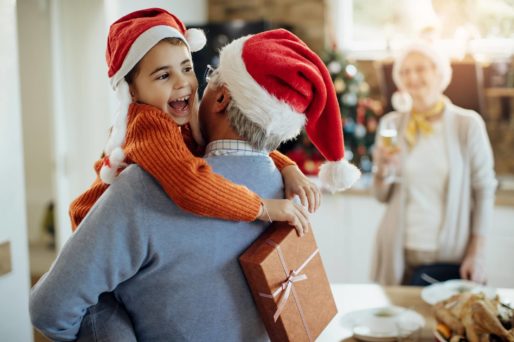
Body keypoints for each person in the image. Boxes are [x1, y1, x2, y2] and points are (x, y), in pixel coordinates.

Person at [30, 29, 360, 341]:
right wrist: (287, 168)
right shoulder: (294, 196)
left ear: (220, 99)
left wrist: (111, 322)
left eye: (204, 77)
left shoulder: (144, 187)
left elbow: (48, 310)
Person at [68, 8, 324, 237]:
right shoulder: (149, 124)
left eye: (187, 68)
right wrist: (263, 207)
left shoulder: (180, 115)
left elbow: (223, 140)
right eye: (164, 75)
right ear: (132, 92)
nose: (182, 82)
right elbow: (190, 185)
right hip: (95, 230)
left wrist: (287, 167)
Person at [370, 41, 497, 286]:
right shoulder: (391, 125)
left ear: (439, 73)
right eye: (405, 72)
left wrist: (477, 254)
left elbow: (484, 191)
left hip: (451, 256)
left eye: (420, 69)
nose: (412, 77)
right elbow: (380, 196)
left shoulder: (467, 125)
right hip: (398, 253)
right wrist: (383, 172)